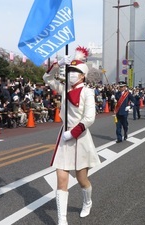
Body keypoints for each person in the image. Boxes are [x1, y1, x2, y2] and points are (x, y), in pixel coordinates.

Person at [43, 46, 100, 225]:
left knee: (82, 179)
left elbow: (90, 118)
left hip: (80, 136)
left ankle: (87, 202)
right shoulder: (64, 88)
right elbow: (46, 78)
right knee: (61, 179)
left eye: (75, 71)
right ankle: (62, 219)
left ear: (82, 75)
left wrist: (73, 133)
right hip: (64, 137)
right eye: (70, 71)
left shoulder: (88, 92)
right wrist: (57, 64)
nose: (72, 74)